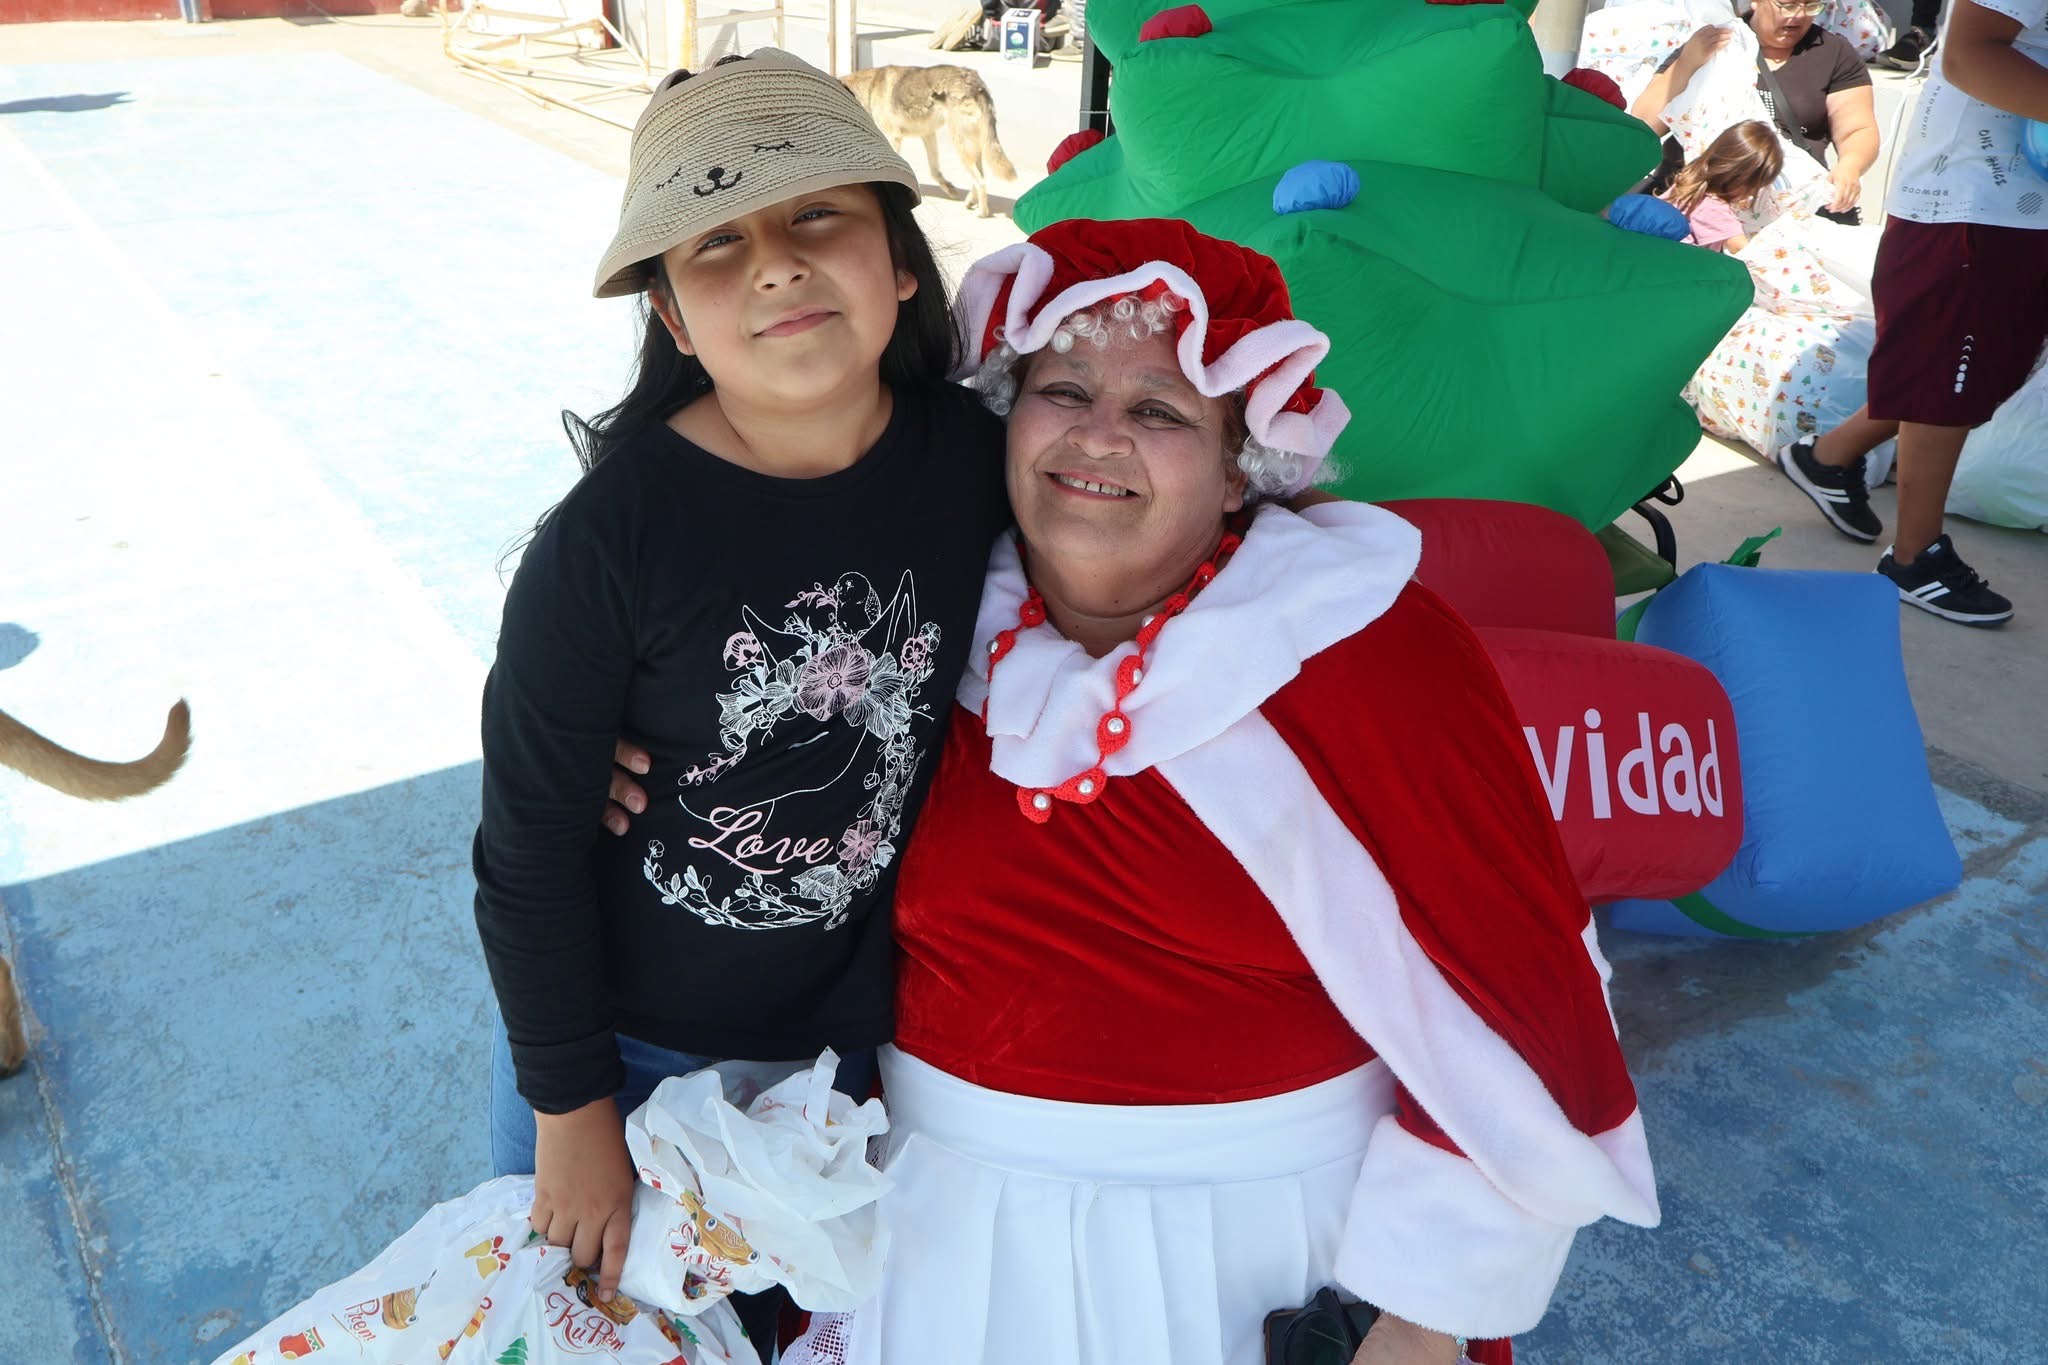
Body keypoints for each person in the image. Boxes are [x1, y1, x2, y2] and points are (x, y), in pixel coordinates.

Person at [614, 220, 1661, 1364]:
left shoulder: (1359, 650)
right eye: (1061, 391)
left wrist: (1420, 1317)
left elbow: (1524, 989)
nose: (1097, 439)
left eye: (1160, 411)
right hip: (936, 1234)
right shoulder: (920, 621)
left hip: (1243, 1249)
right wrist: (617, 756)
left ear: (1239, 466)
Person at [471, 46, 1012, 1317]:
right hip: (630, 1064)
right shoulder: (609, 544)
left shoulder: (980, 463)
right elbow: (526, 856)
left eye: (816, 214)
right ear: (670, 318)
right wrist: (571, 1112)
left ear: (895, 260)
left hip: (861, 1062)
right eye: (713, 244)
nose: (773, 261)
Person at [1775, 0, 2043, 626]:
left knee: (1978, 372)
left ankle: (1829, 458)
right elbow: (1971, 52)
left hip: (2020, 201)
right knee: (1951, 376)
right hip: (1972, 196)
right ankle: (1914, 556)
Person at [1632, 0, 1880, 223]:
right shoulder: (1716, 40)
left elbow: (1858, 128)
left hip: (1787, 211)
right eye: (1788, 5)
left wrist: (1850, 166)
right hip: (1695, 205)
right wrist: (1688, 62)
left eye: (1811, 5)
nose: (1799, 15)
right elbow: (1644, 123)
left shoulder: (1832, 51)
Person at [1659, 119, 1788, 250]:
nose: (1750, 194)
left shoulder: (1690, 179)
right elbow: (1745, 251)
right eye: (1752, 186)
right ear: (1735, 176)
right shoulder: (1714, 209)